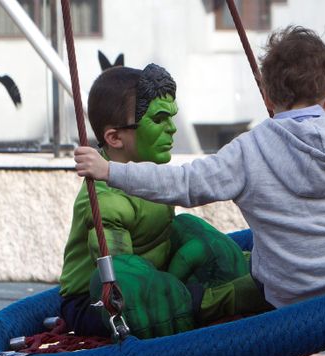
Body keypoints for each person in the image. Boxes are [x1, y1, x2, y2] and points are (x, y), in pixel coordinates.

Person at [74, 26, 325, 309]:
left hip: (281, 294)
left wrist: (110, 171)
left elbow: (184, 183)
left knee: (267, 244)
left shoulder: (248, 150)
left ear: (268, 97)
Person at [60, 63, 266, 340]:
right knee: (126, 278)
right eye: (158, 120)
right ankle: (220, 298)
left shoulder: (153, 177)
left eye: (171, 118)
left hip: (154, 272)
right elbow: (116, 279)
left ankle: (242, 275)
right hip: (99, 301)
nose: (172, 130)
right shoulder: (107, 200)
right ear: (115, 138)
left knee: (193, 231)